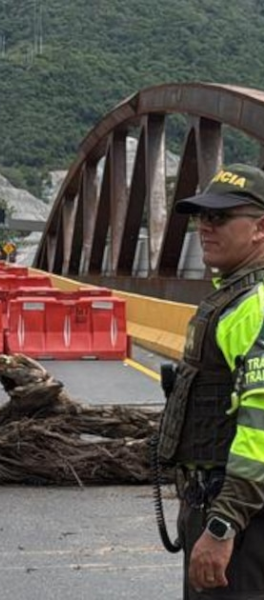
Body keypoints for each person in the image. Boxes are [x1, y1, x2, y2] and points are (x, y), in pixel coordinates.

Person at [159, 164, 264, 598]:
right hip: (222, 504)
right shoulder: (234, 297)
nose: (205, 226)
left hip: (240, 516)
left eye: (220, 217)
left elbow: (260, 427)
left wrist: (223, 524)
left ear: (260, 228)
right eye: (202, 216)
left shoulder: (254, 306)